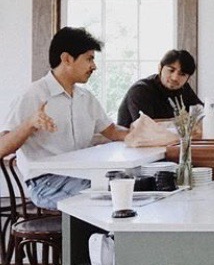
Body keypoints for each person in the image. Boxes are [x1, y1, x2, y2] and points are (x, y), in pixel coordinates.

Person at [0, 27, 129, 209]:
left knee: (131, 182)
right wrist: (30, 124)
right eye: (89, 59)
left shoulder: (86, 98)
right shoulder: (33, 95)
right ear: (67, 59)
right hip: (46, 182)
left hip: (81, 174)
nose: (94, 66)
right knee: (115, 192)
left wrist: (139, 134)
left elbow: (113, 131)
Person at [117, 49, 203, 126]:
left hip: (170, 138)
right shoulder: (140, 90)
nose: (175, 78)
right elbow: (146, 126)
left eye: (182, 74)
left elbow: (202, 114)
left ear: (188, 78)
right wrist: (185, 121)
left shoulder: (184, 88)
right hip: (134, 138)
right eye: (171, 70)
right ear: (160, 68)